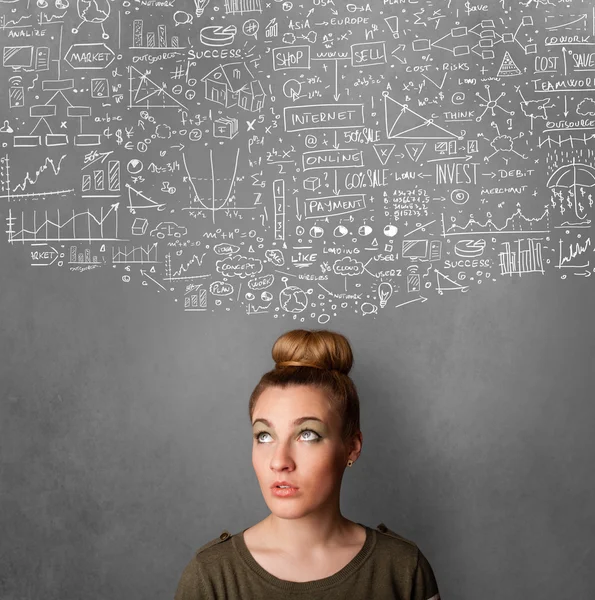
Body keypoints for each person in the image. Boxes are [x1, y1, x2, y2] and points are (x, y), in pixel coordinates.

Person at [174, 329, 441, 599]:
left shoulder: (404, 569)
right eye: (264, 436)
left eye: (307, 434)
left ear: (352, 447)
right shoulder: (210, 576)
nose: (279, 462)